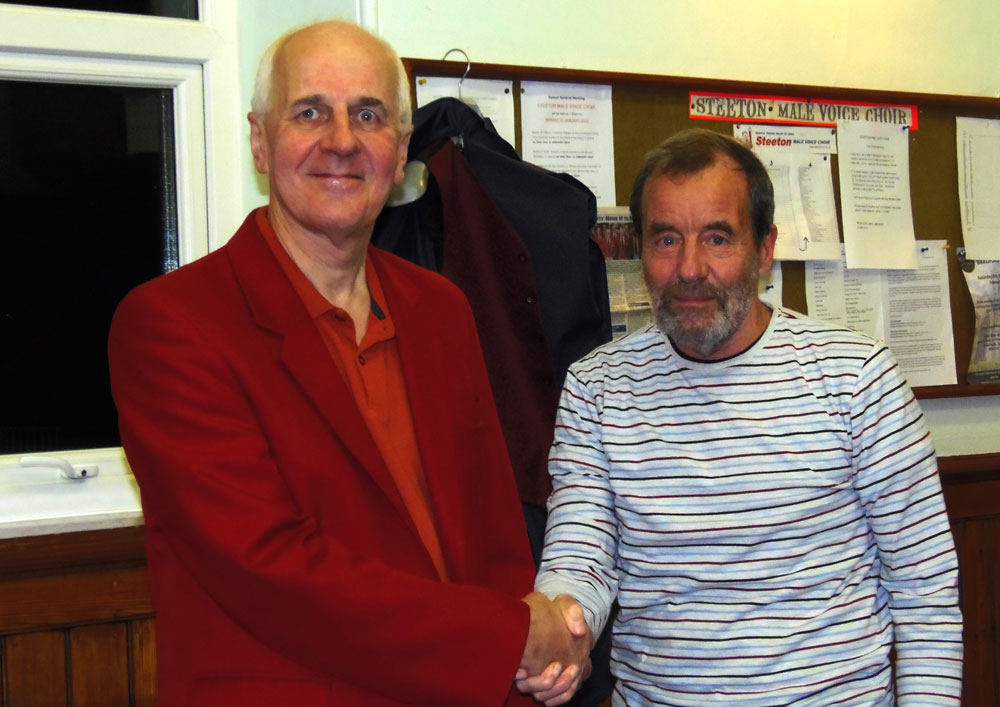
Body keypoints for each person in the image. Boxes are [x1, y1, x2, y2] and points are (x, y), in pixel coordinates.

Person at [109, 20, 589, 706]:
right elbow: (269, 567)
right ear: (259, 140)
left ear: (398, 155)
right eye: (310, 111)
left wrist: (527, 663)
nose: (341, 140)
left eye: (368, 114)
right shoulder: (172, 325)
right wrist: (512, 636)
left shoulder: (442, 308)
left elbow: (493, 537)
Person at [530, 129, 963, 705]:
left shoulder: (857, 379)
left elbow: (925, 593)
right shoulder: (596, 387)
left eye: (717, 237)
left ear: (764, 249)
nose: (689, 268)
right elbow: (581, 555)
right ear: (639, 251)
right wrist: (565, 626)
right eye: (665, 239)